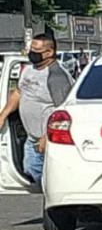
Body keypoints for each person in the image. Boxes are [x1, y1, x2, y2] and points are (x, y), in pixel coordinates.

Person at [0, 34, 73, 186]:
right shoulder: (28, 69)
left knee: (44, 178)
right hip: (32, 137)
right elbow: (19, 92)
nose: (32, 52)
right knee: (30, 172)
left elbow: (63, 111)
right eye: (31, 48)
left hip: (47, 140)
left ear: (49, 53)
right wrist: (3, 114)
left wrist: (47, 137)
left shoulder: (56, 76)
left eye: (37, 50)